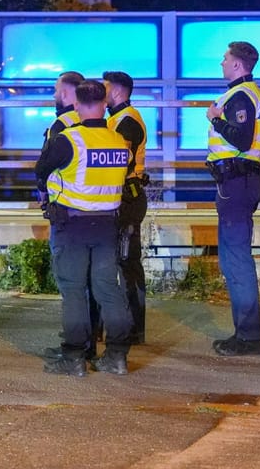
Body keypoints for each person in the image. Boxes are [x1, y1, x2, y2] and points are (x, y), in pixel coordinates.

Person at [36, 79, 133, 377]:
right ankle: (117, 356)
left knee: (74, 291)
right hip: (107, 225)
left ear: (76, 105)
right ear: (104, 105)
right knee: (108, 289)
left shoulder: (69, 139)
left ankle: (74, 357)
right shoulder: (118, 140)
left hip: (73, 226)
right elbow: (126, 169)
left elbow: (41, 170)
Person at [205, 41, 260, 356]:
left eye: (225, 57)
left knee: (236, 260)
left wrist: (215, 118)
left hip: (236, 181)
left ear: (237, 64)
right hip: (243, 180)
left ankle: (247, 337)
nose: (221, 62)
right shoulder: (255, 94)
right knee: (234, 257)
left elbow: (242, 139)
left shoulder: (240, 95)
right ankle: (245, 333)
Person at [103, 70, 149, 344]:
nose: (101, 92)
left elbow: (120, 163)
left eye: (105, 88)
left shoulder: (126, 121)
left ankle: (133, 330)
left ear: (118, 91)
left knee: (128, 265)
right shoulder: (117, 119)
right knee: (124, 263)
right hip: (125, 197)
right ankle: (128, 327)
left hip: (128, 199)